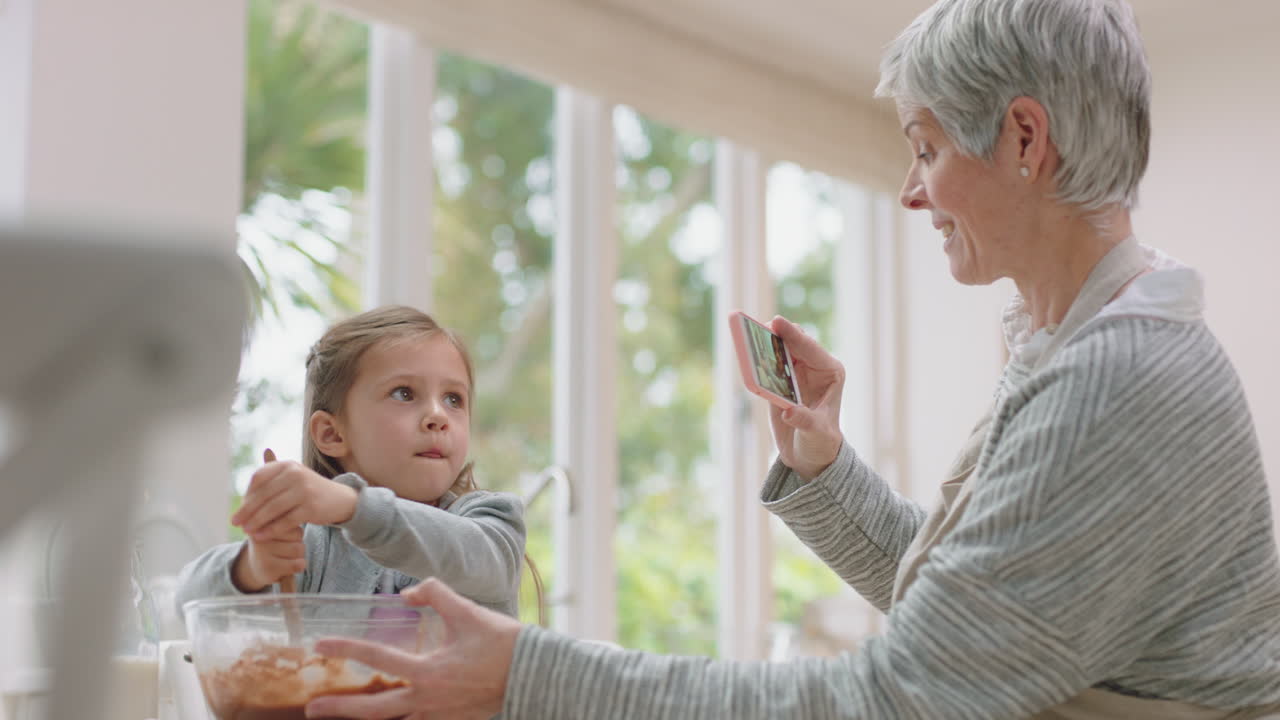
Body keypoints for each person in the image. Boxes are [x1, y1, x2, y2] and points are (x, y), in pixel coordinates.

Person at [303, 0, 1280, 718]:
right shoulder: (1083, 341)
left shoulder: (1113, 381)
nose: (910, 190)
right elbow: (980, 618)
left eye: (925, 148)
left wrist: (526, 673)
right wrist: (823, 468)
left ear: (1023, 138)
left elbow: (901, 696)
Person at [175, 305, 526, 618]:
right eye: (404, 393)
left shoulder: (491, 523)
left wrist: (354, 506)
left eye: (453, 399)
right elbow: (186, 600)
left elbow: (476, 557)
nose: (438, 415)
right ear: (331, 434)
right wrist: (251, 567)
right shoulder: (312, 548)